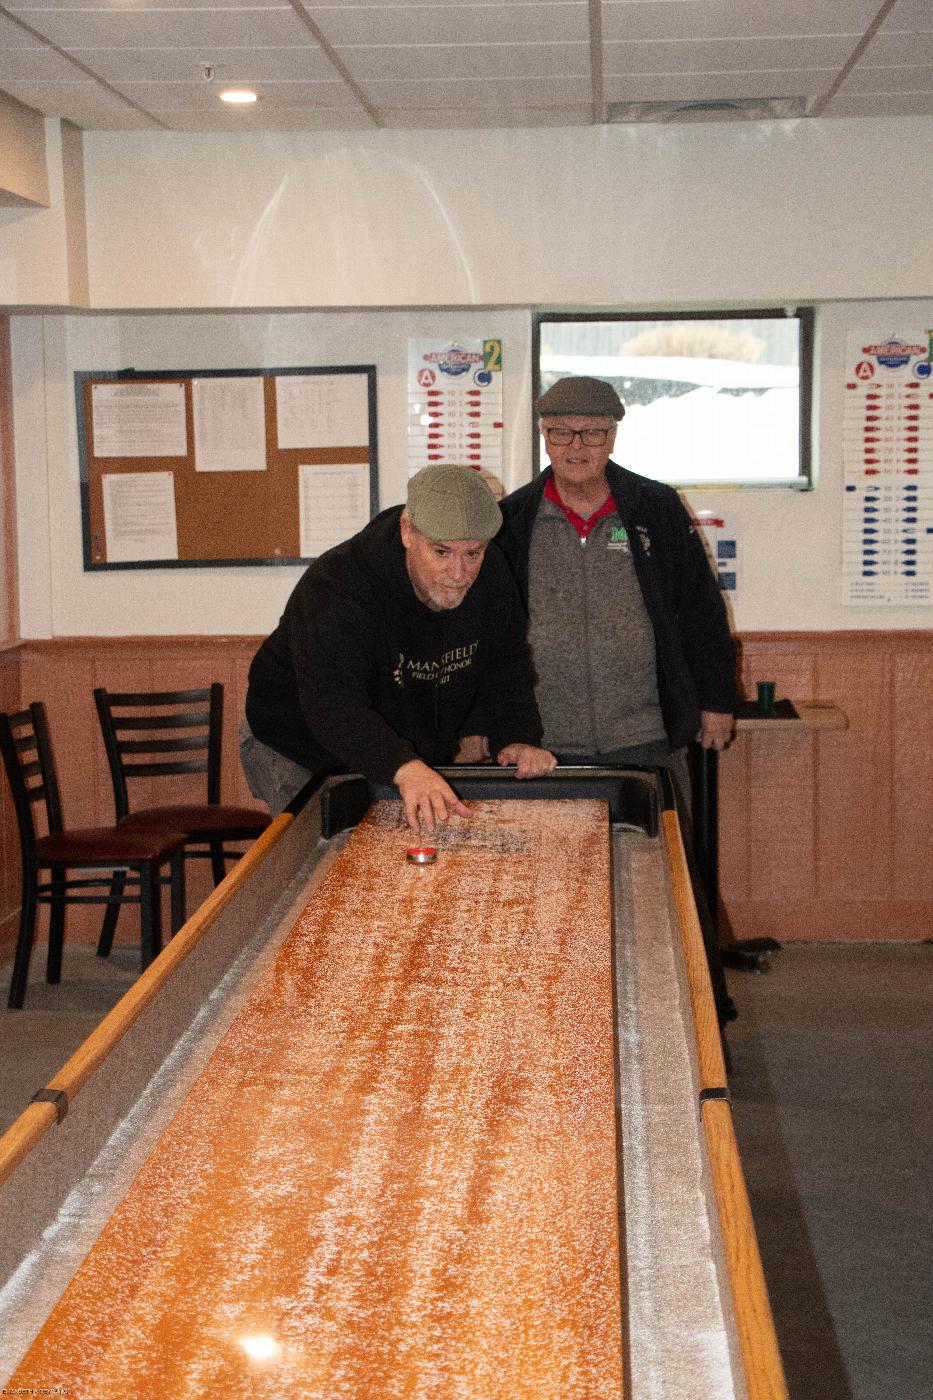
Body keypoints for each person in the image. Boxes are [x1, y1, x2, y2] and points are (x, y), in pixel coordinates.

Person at [496, 375, 738, 1026]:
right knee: (549, 889)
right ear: (543, 436)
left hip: (644, 730)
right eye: (562, 432)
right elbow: (486, 628)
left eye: (593, 432)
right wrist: (483, 724)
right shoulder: (513, 518)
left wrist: (716, 698)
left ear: (613, 435)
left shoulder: (653, 507)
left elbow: (699, 609)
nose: (577, 445)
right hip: (543, 741)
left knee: (659, 886)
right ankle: (553, 1015)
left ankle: (681, 1017)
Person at [241, 463, 556, 833]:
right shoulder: (338, 587)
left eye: (473, 553)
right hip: (296, 741)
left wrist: (518, 737)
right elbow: (333, 705)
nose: (458, 573)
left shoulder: (492, 575)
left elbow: (507, 664)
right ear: (408, 531)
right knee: (333, 858)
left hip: (394, 740)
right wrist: (402, 767)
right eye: (441, 552)